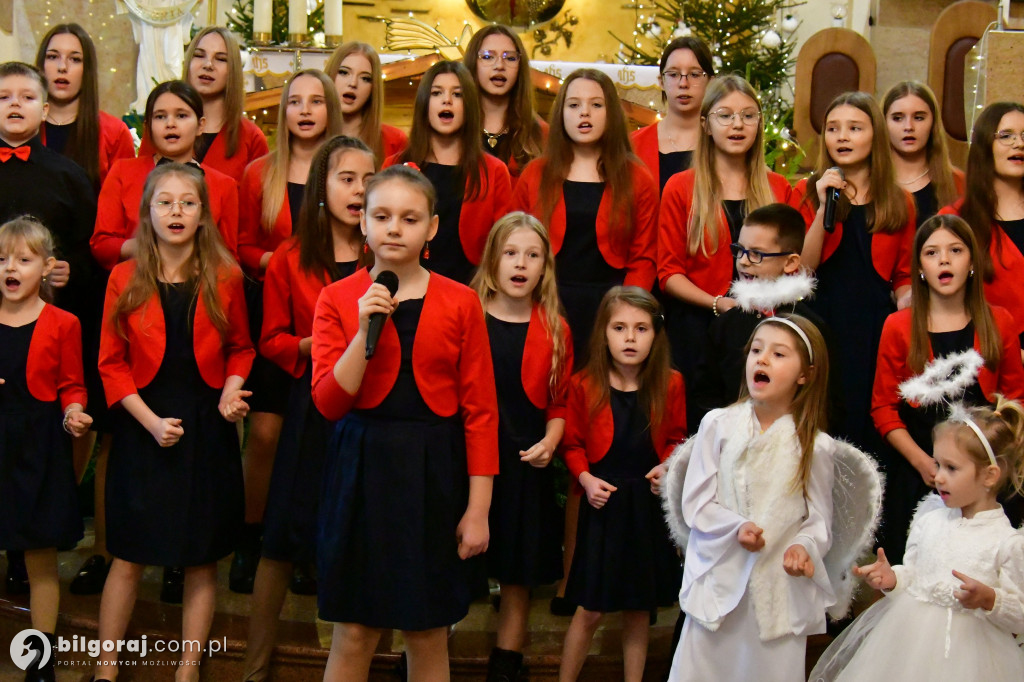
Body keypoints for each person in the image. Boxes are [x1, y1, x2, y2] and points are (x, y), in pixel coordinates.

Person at [312, 165, 497, 681]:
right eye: (383, 216)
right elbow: (328, 404)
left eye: (409, 218)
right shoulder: (336, 298)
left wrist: (478, 508)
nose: (395, 228)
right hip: (361, 469)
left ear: (432, 228)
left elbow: (480, 411)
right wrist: (364, 328)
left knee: (427, 631)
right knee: (354, 631)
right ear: (364, 225)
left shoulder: (461, 302)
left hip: (433, 474)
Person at [93, 163, 253, 682]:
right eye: (165, 202)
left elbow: (240, 349)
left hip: (205, 429)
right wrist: (149, 421)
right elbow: (110, 364)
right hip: (145, 428)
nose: (177, 212)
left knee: (202, 557)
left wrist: (232, 390)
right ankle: (105, 667)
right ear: (148, 212)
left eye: (188, 202)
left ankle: (187, 671)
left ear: (204, 214)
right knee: (129, 554)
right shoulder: (124, 276)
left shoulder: (225, 276)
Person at [241, 136, 374, 680]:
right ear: (321, 187)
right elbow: (270, 339)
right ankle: (254, 665)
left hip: (371, 410)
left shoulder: (385, 252)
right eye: (346, 179)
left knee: (363, 538)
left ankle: (365, 660)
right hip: (312, 404)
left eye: (368, 180)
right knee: (283, 537)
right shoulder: (292, 258)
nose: (359, 191)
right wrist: (318, 343)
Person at [669, 315, 837, 682]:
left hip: (777, 593)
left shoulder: (814, 445)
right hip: (719, 582)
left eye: (778, 354)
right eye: (756, 350)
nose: (761, 360)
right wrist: (736, 527)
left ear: (804, 374)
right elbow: (697, 502)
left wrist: (804, 546)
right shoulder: (718, 424)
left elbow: (819, 519)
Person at [809, 397, 1024, 681]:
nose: (938, 476)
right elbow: (914, 576)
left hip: (969, 658)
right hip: (907, 642)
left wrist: (990, 599)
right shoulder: (930, 518)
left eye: (952, 468)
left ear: (989, 475)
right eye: (937, 464)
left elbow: (1019, 613)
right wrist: (893, 579)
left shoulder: (1007, 542)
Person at [233, 69, 342, 593]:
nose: (304, 110)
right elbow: (242, 245)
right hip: (278, 311)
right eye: (294, 101)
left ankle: (310, 543)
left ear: (330, 110)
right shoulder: (261, 172)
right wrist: (276, 260)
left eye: (316, 101)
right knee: (268, 433)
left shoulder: (348, 171)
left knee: (323, 440)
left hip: (338, 319)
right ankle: (254, 536)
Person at [871, 214, 1024, 563]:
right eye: (932, 252)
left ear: (971, 261)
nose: (944, 259)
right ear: (919, 268)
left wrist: (994, 469)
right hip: (921, 472)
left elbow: (1016, 399)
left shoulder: (1000, 322)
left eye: (955, 250)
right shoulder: (897, 327)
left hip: (988, 479)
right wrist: (924, 463)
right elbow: (883, 408)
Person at [0, 61, 97, 599]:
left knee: (34, 447)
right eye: (3, 96)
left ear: (44, 110)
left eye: (24, 97)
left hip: (46, 327)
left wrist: (68, 269)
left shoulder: (67, 175)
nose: (14, 104)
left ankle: (27, 547)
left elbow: (88, 247)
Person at [557, 286, 684, 682]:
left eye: (641, 328)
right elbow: (573, 443)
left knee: (638, 608)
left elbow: (676, 439)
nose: (630, 338)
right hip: (603, 504)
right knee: (590, 609)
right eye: (620, 327)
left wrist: (667, 468)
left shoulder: (671, 383)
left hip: (644, 506)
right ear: (604, 333)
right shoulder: (584, 384)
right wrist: (585, 478)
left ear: (656, 334)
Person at [658, 75, 795, 428]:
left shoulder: (777, 187)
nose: (738, 125)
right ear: (706, 124)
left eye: (748, 115)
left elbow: (793, 263)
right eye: (725, 115)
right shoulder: (681, 187)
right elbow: (668, 273)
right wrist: (719, 303)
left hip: (763, 331)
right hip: (697, 330)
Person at [470, 212, 573, 682]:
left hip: (525, 461)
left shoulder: (555, 327)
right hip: (470, 462)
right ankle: (423, 649)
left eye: (532, 256)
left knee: (518, 572)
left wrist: (551, 441)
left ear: (544, 268)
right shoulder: (467, 313)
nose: (520, 264)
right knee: (453, 556)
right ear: (492, 259)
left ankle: (505, 662)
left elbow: (560, 402)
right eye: (510, 253)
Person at [511, 67, 658, 364]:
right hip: (546, 301)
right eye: (574, 104)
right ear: (561, 113)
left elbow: (644, 258)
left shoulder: (638, 178)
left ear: (611, 113)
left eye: (596, 105)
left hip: (610, 305)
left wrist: (625, 315)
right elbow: (511, 245)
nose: (584, 114)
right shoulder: (535, 174)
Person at [796, 91, 916, 451]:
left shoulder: (899, 199)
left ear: (875, 135)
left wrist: (908, 303)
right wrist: (821, 208)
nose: (842, 137)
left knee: (867, 421)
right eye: (833, 128)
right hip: (822, 320)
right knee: (826, 420)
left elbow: (905, 273)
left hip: (874, 327)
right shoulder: (808, 191)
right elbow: (803, 268)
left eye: (854, 128)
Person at [0, 217, 92, 681]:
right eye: (0, 259)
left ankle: (40, 661)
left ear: (47, 267)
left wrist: (74, 412)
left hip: (38, 451)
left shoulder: (64, 323)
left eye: (22, 259)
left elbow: (72, 384)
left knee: (40, 562)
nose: (9, 267)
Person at [91, 80, 240, 269]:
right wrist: (151, 245)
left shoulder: (224, 185)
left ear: (201, 125)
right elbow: (102, 245)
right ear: (149, 126)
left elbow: (229, 259)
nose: (170, 124)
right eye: (160, 117)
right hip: (135, 287)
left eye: (181, 115)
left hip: (200, 290)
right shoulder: (123, 172)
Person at [388, 60, 511, 285]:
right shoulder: (394, 166)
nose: (447, 100)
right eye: (437, 93)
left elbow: (502, 247)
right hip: (401, 287)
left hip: (469, 290)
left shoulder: (494, 172)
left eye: (458, 94)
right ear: (424, 103)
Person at [939, 102, 1024, 346]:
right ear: (985, 145)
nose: (1019, 143)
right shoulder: (957, 220)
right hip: (987, 355)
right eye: (1006, 136)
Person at [137, 26, 269, 182]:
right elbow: (139, 187)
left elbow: (257, 202)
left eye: (220, 59)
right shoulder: (161, 126)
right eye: (199, 55)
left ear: (232, 70)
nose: (208, 65)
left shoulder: (251, 138)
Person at [35, 23, 135, 191]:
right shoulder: (19, 127)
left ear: (86, 69)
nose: (62, 67)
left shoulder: (114, 133)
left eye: (75, 59)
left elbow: (124, 204)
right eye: (53, 57)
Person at [630, 36, 715, 194]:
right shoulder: (633, 145)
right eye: (674, 74)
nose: (683, 84)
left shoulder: (721, 142)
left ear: (710, 81)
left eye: (695, 75)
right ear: (661, 81)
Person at [463, 25, 547, 184]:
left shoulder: (542, 135)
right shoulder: (454, 129)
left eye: (510, 58)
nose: (499, 66)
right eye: (488, 57)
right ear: (473, 63)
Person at [881, 81, 964, 226]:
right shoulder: (868, 183)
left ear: (933, 124)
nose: (908, 127)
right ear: (883, 123)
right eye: (898, 118)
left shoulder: (958, 183)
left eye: (918, 118)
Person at [323, 41, 407, 164]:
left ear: (373, 88)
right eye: (344, 72)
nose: (353, 83)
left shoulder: (394, 141)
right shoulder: (310, 135)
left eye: (365, 78)